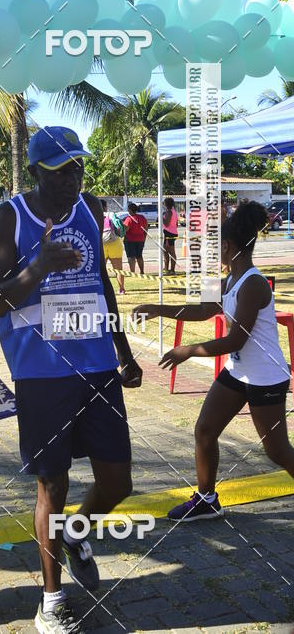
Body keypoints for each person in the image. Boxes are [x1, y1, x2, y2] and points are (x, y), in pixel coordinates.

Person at [0, 127, 142, 634]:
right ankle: (51, 601)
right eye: (60, 171)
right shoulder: (8, 217)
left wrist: (123, 350)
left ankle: (75, 533)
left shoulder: (90, 208)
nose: (72, 180)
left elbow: (100, 283)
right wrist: (38, 267)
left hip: (97, 366)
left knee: (117, 482)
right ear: (35, 172)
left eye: (78, 168)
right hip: (41, 373)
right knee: (52, 484)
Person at [133, 200, 293, 522]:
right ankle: (207, 500)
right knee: (205, 430)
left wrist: (188, 351)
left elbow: (236, 340)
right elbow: (202, 310)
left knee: (276, 450)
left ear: (228, 246)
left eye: (216, 246)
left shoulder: (253, 283)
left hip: (265, 377)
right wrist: (157, 308)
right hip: (238, 372)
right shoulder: (226, 280)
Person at [101, 199, 126, 295]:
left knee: (101, 269)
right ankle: (121, 289)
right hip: (114, 243)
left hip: (102, 244)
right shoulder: (111, 214)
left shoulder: (94, 215)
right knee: (118, 269)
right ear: (106, 207)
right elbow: (120, 226)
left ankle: (103, 290)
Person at [123, 202, 148, 274]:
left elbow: (125, 229)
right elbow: (146, 228)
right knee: (139, 256)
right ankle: (142, 271)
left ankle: (132, 272)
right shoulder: (142, 217)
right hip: (140, 239)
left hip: (130, 240)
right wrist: (144, 237)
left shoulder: (128, 219)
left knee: (131, 257)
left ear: (130, 210)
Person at [162, 197, 178, 274]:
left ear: (166, 204)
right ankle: (167, 268)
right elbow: (176, 223)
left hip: (169, 233)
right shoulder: (173, 211)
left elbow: (167, 224)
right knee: (166, 251)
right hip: (171, 232)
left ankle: (171, 270)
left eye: (164, 202)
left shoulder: (169, 212)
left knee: (170, 251)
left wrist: (162, 218)